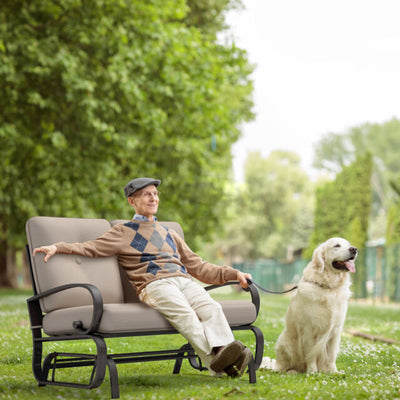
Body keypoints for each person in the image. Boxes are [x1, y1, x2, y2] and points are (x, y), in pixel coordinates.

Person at [33, 177, 253, 378]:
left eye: (156, 194)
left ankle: (224, 355)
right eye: (147, 194)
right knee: (187, 316)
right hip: (154, 285)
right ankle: (221, 361)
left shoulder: (169, 233)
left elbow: (198, 266)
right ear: (132, 201)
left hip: (184, 281)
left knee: (212, 309)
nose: (153, 198)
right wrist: (58, 246)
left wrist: (234, 274)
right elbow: (90, 247)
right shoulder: (123, 232)